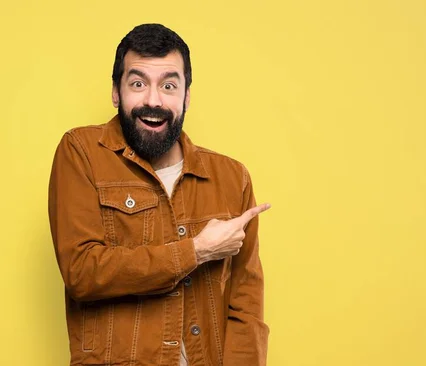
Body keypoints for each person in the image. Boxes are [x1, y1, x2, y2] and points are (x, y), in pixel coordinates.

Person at [48, 23, 270, 366]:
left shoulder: (231, 177)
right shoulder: (81, 152)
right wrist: (195, 251)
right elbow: (82, 272)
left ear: (187, 96)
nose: (153, 100)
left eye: (169, 85)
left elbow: (246, 303)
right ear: (116, 92)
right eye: (138, 83)